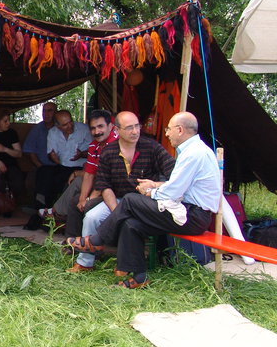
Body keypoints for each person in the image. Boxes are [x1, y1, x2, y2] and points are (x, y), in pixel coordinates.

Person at [66, 112, 212, 288]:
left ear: (180, 130)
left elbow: (173, 186)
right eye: (129, 128)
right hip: (127, 202)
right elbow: (104, 186)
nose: (135, 131)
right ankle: (138, 277)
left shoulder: (178, 151)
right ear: (117, 130)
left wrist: (151, 189)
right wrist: (118, 213)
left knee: (129, 200)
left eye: (137, 126)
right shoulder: (109, 152)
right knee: (125, 223)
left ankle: (95, 242)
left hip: (182, 211)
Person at [29, 109, 117, 233]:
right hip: (66, 167)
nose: (97, 131)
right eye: (93, 128)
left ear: (111, 126)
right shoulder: (94, 145)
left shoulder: (115, 144)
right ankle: (70, 237)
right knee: (50, 177)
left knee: (76, 185)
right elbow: (90, 174)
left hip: (110, 186)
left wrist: (88, 199)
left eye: (100, 127)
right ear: (58, 126)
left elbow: (105, 178)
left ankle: (55, 212)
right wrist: (82, 199)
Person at [0, 109, 24, 209]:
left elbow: (19, 153)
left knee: (18, 183)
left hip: (11, 164)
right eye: (5, 121)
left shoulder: (12, 133)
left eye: (9, 120)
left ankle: (10, 205)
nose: (8, 123)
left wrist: (5, 149)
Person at [22, 101, 57, 204]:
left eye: (49, 111)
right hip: (42, 165)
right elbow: (30, 151)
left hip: (60, 166)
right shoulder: (37, 129)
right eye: (44, 111)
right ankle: (40, 205)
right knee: (42, 174)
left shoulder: (61, 128)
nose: (46, 114)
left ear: (56, 113)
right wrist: (40, 166)